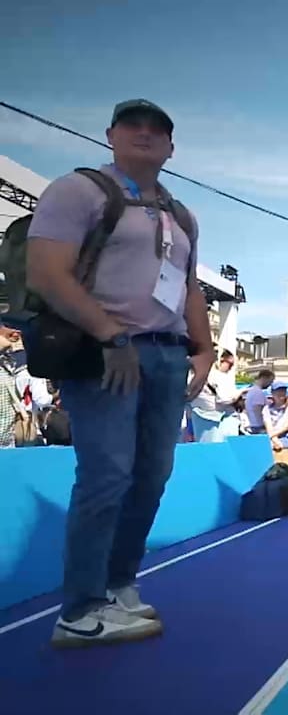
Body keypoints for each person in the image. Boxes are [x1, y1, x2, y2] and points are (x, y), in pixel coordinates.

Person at [27, 99, 214, 648]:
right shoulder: (77, 191)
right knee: (106, 474)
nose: (145, 133)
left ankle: (118, 585)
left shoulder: (182, 216)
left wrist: (202, 349)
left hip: (166, 352)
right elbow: (46, 273)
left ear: (171, 147)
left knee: (152, 476)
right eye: (133, 124)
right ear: (110, 134)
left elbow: (190, 288)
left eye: (158, 128)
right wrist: (109, 334)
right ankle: (80, 610)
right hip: (103, 350)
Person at [187, 350, 239, 442]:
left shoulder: (190, 376)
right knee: (219, 449)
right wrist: (241, 393)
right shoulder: (218, 376)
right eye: (230, 364)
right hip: (219, 419)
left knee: (205, 449)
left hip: (198, 417)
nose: (230, 368)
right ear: (220, 360)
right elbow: (225, 399)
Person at [264, 382, 288, 450]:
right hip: (272, 437)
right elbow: (268, 426)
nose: (281, 393)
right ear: (272, 393)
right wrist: (274, 439)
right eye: (278, 391)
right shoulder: (266, 409)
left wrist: (272, 437)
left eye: (283, 390)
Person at [242, 369, 273, 434]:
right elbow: (258, 409)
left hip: (252, 425)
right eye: (270, 381)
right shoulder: (257, 392)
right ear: (264, 378)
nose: (270, 384)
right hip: (257, 426)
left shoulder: (251, 390)